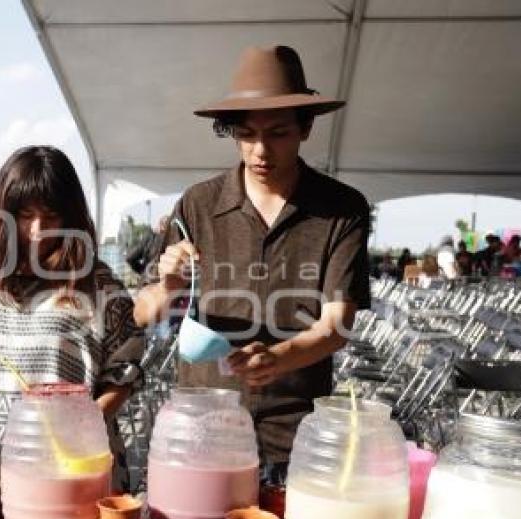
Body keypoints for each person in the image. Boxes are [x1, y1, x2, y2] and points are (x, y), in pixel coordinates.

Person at [134, 45, 370, 486]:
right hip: (203, 430)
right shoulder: (198, 204)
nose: (260, 150)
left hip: (292, 432)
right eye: (246, 134)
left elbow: (337, 325)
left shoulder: (341, 210)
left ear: (307, 126)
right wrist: (166, 286)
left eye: (278, 133)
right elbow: (143, 314)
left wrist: (279, 357)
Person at [0, 146, 144, 491]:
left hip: (75, 478)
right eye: (25, 214)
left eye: (51, 216)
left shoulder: (98, 286)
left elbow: (125, 373)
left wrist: (80, 428)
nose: (38, 229)